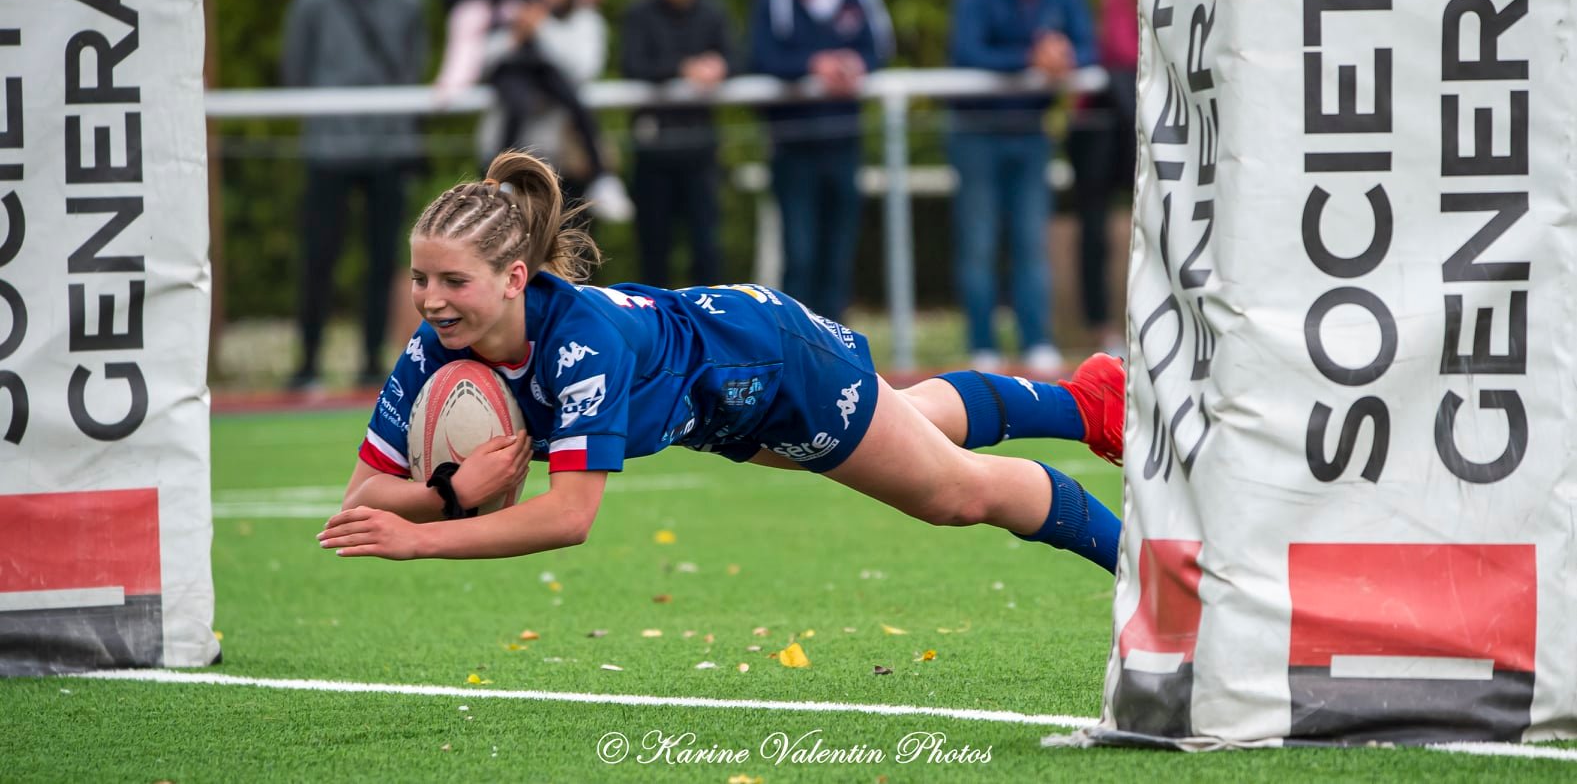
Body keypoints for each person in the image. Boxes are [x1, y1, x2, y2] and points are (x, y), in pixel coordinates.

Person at [318, 150, 1125, 576]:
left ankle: (1143, 563)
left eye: (452, 280)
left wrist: (426, 535)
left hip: (770, 363)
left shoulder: (578, 345)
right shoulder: (437, 345)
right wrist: (449, 493)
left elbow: (570, 517)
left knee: (954, 492)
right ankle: (1089, 401)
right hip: (719, 405)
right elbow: (363, 499)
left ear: (513, 279)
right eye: (421, 277)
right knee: (906, 421)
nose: (430, 299)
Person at [282, 0, 429, 390]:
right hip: (330, 145)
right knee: (319, 255)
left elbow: (414, 65)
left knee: (386, 257)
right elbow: (295, 67)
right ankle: (308, 360)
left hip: (388, 143)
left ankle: (372, 358)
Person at [947, 0, 1096, 375]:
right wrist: (1030, 61)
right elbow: (966, 51)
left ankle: (1037, 340)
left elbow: (1087, 47)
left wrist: (1064, 56)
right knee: (979, 242)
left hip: (1031, 134)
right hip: (977, 133)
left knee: (1032, 240)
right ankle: (982, 345)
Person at [747, 0, 893, 322]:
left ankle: (836, 353)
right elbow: (760, 56)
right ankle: (797, 348)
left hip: (844, 142)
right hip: (792, 146)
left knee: (839, 252)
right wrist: (813, 67)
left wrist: (855, 66)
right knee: (801, 253)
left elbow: (880, 48)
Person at [456, 0, 632, 221]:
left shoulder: (585, 19)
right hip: (507, 165)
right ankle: (501, 178)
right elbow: (477, 62)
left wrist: (540, 26)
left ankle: (602, 176)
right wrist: (515, 35)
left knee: (566, 258)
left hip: (565, 164)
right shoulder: (505, 6)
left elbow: (582, 68)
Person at [619, 0, 734, 287]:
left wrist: (719, 67)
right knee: (654, 251)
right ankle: (657, 335)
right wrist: (683, 69)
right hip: (653, 152)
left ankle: (710, 334)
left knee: (707, 249)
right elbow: (633, 65)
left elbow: (739, 59)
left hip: (701, 152)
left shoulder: (715, 11)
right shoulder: (639, 12)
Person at [1068, 0, 1139, 358]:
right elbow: (1122, 49)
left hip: (1134, 126)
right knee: (1095, 232)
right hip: (1102, 129)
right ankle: (1100, 325)